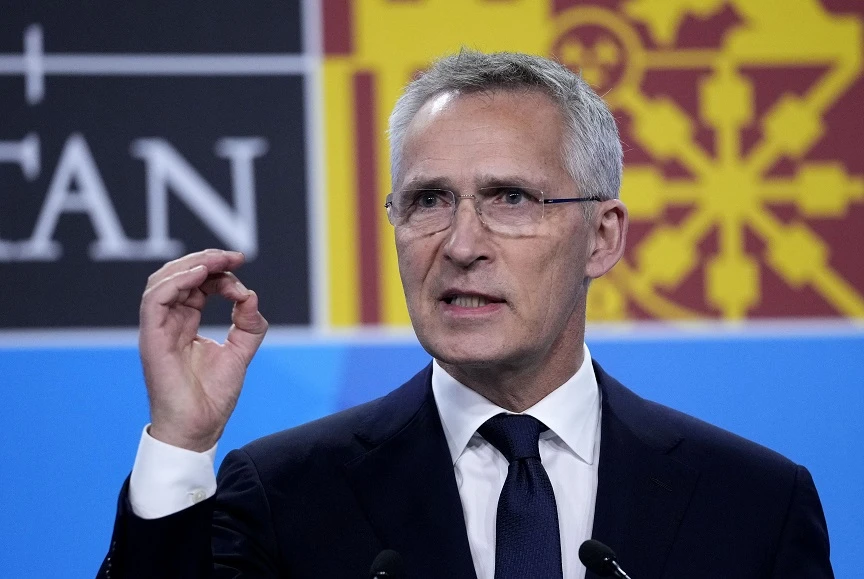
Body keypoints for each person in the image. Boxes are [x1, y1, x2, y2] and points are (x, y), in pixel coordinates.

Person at [98, 50, 833, 578]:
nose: (460, 245)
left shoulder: (753, 503)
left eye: (510, 198)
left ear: (601, 237)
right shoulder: (286, 493)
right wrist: (180, 443)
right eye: (428, 200)